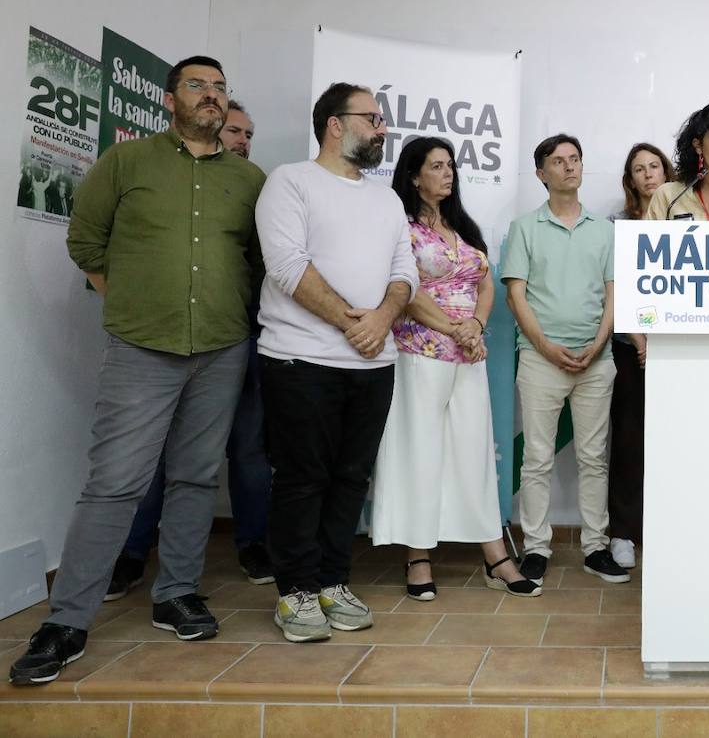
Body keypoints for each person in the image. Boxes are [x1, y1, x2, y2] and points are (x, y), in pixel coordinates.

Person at [10, 57, 264, 686]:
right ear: (169, 99)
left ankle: (176, 593)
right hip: (142, 347)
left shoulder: (249, 178)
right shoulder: (126, 163)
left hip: (221, 347)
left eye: (220, 88)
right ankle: (66, 620)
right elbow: (87, 242)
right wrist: (128, 302)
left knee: (197, 477)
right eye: (198, 86)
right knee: (116, 481)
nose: (212, 96)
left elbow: (259, 262)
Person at [255, 82, 419, 642]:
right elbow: (285, 266)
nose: (382, 128)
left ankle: (332, 581)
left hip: (374, 364)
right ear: (334, 124)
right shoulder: (290, 182)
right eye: (372, 118)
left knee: (351, 478)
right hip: (300, 360)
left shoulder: (388, 199)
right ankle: (295, 592)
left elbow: (406, 273)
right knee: (302, 478)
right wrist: (356, 322)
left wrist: (383, 318)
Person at [106, 99, 273, 602]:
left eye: (249, 134)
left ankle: (253, 545)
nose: (243, 140)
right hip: (164, 342)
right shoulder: (153, 176)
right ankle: (134, 552)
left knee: (248, 448)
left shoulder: (255, 190)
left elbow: (266, 264)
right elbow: (93, 242)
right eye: (236, 131)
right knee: (156, 453)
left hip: (240, 339)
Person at [371, 137, 540, 600]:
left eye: (450, 166)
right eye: (437, 166)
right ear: (413, 175)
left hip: (468, 354)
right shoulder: (400, 226)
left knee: (473, 454)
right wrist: (452, 327)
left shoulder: (462, 227)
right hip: (419, 351)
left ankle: (495, 555)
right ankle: (418, 555)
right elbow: (405, 288)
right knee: (420, 452)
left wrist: (475, 326)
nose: (447, 174)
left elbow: (485, 283)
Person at [501, 134, 628, 586]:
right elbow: (516, 295)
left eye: (575, 159)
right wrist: (545, 346)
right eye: (559, 161)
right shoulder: (524, 228)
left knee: (594, 457)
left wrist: (598, 343)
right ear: (542, 173)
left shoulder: (605, 230)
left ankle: (595, 546)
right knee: (537, 459)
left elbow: (615, 292)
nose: (569, 166)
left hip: (597, 359)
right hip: (540, 359)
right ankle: (535, 548)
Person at [605, 142, 677, 570]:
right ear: (630, 180)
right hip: (632, 349)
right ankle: (624, 534)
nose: (649, 175)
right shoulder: (620, 226)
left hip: (681, 349)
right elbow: (621, 289)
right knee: (631, 443)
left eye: (655, 167)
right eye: (639, 169)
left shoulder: (688, 220)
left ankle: (667, 528)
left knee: (676, 444)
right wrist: (640, 342)